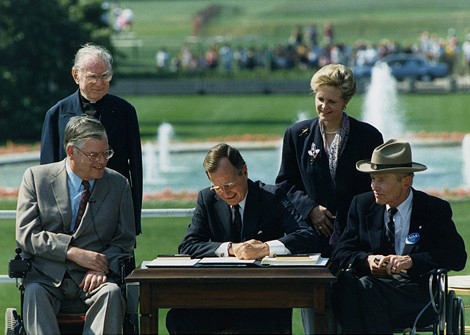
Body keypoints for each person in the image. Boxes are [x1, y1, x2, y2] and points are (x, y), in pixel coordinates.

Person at [166, 143, 319, 334]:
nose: (225, 193)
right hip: (218, 298)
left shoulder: (272, 196)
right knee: (178, 318)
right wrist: (230, 248)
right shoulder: (207, 199)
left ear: (244, 171)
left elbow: (307, 236)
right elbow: (188, 245)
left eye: (229, 185)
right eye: (218, 187)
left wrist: (264, 248)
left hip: (263, 299)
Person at [16, 115, 136, 334]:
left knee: (111, 293)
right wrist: (71, 252)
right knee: (34, 293)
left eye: (106, 153)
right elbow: (27, 234)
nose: (102, 161)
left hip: (96, 278)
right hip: (46, 277)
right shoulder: (36, 178)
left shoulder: (119, 184)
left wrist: (102, 266)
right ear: (71, 151)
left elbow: (124, 240)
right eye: (94, 155)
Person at [332, 139, 467, 334]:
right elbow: (341, 253)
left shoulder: (434, 209)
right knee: (348, 284)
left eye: (382, 180)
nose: (374, 186)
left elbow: (456, 257)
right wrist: (368, 260)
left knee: (361, 289)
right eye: (372, 179)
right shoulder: (361, 205)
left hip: (417, 294)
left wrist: (411, 261)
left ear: (406, 181)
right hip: (370, 292)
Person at [276, 63, 383, 253]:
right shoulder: (296, 135)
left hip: (357, 237)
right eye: (320, 99)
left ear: (345, 102)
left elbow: (376, 185)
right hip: (310, 235)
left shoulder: (368, 136)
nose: (324, 107)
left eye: (332, 102)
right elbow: (285, 183)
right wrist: (310, 209)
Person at [40, 43, 143, 235]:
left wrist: (133, 221)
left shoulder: (126, 112)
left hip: (113, 214)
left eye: (105, 76)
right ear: (76, 75)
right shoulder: (56, 115)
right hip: (67, 218)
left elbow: (135, 169)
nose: (100, 83)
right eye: (92, 76)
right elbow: (46, 174)